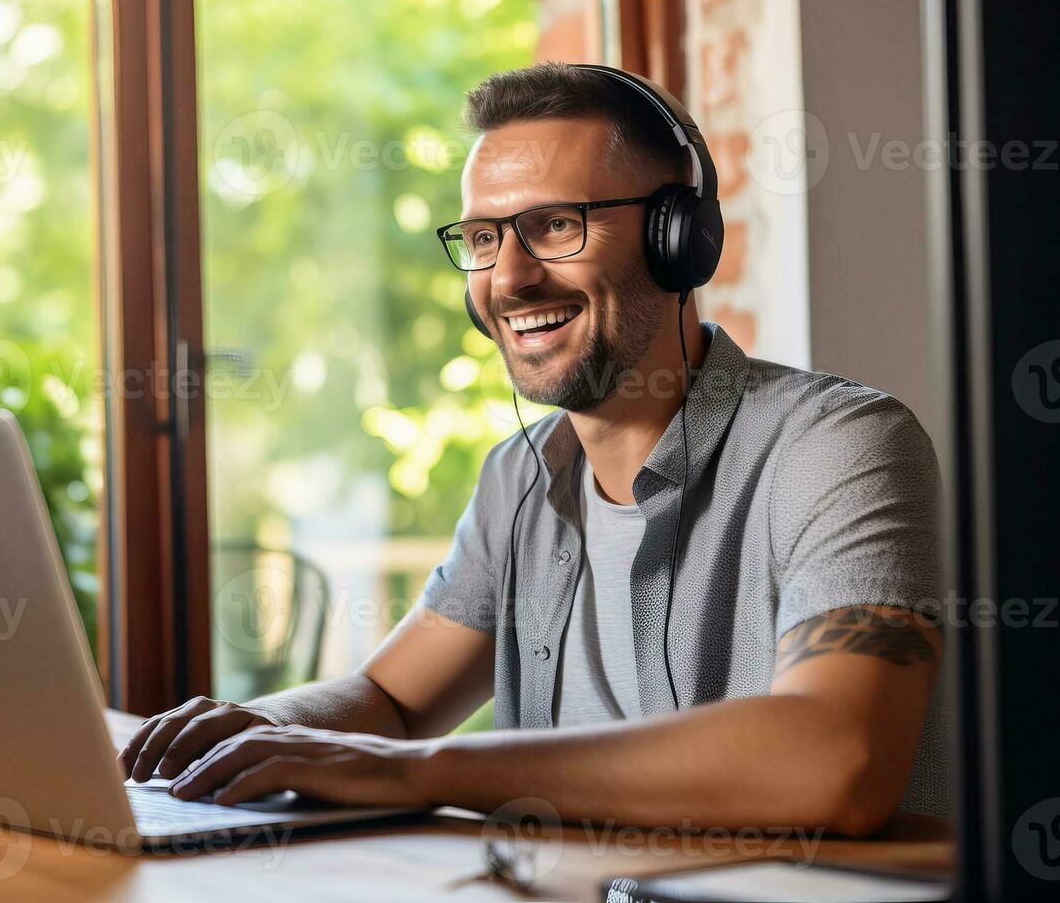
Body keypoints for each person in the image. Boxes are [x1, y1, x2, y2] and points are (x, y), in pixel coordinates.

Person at [119, 63, 948, 836]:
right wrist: (265, 728)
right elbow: (391, 701)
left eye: (556, 226)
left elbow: (840, 757)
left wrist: (420, 773)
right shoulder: (523, 477)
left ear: (678, 239)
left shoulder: (841, 448)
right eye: (482, 239)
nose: (509, 280)